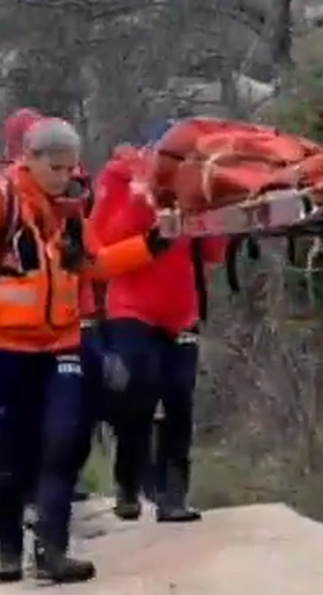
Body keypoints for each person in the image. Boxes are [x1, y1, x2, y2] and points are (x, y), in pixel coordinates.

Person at [0, 116, 175, 584]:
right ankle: (9, 548)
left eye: (71, 168)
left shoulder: (69, 213)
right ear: (28, 159)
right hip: (3, 348)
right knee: (15, 454)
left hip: (62, 343)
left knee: (63, 443)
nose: (66, 177)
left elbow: (97, 264)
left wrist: (153, 244)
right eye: (56, 168)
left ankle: (52, 550)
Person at [90, 125, 227, 523]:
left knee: (179, 400)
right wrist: (143, 197)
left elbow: (213, 252)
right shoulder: (120, 178)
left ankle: (173, 496)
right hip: (131, 306)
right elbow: (105, 240)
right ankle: (129, 482)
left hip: (181, 310)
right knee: (139, 392)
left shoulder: (196, 185)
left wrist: (217, 212)